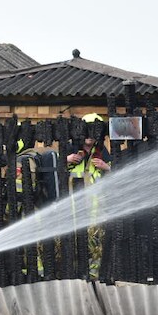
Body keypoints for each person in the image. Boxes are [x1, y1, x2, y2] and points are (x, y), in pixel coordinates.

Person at [66, 113, 111, 279]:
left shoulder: (103, 153)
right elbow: (54, 175)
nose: (90, 137)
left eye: (94, 133)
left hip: (96, 212)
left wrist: (106, 167)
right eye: (88, 132)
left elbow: (117, 175)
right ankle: (75, 277)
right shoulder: (70, 151)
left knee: (96, 248)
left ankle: (93, 279)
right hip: (73, 212)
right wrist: (66, 160)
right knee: (73, 246)